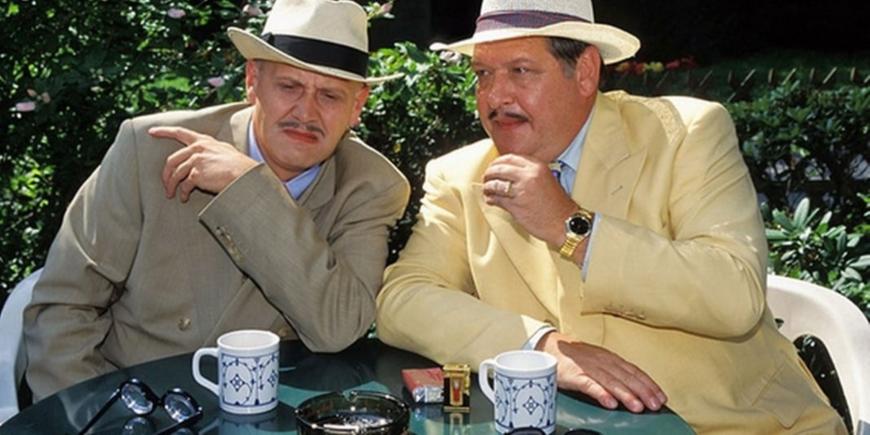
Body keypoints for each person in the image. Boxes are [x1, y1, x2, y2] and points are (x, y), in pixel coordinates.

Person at [376, 0, 846, 433]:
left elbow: (734, 294)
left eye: (520, 70)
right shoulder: (462, 175)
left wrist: (572, 227)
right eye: (483, 74)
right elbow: (403, 299)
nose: (494, 96)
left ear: (585, 72)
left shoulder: (685, 134)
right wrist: (541, 346)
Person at [24, 0, 409, 401]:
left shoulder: (370, 185)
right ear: (252, 80)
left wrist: (250, 189)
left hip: (266, 415)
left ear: (357, 106)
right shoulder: (149, 149)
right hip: (131, 404)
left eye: (329, 95)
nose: (306, 112)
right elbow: (64, 309)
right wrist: (94, 416)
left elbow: (338, 327)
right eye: (289, 87)